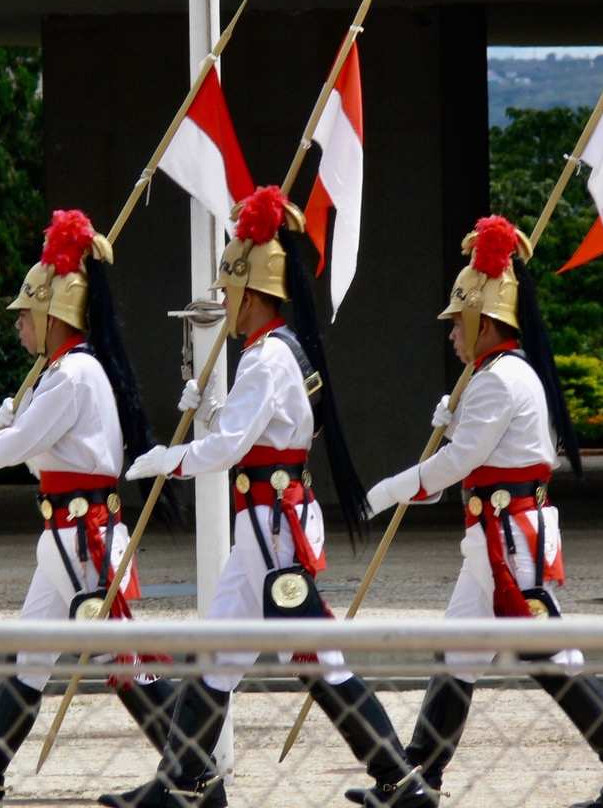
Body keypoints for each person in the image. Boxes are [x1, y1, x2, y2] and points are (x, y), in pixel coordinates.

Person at [99, 187, 430, 808]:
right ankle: (189, 781)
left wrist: (168, 460)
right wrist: (210, 415)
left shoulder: (266, 359)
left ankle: (399, 779)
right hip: (265, 522)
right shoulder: (275, 354)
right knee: (220, 653)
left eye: (229, 291)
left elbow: (227, 450)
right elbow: (254, 433)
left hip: (273, 526)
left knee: (316, 658)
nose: (224, 301)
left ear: (251, 294)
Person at [350, 215, 603, 808]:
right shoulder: (496, 376)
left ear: (484, 321)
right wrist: (453, 418)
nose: (451, 335)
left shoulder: (498, 380)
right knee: (460, 651)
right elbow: (464, 465)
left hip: (509, 538)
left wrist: (390, 488)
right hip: (493, 535)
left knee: (550, 655)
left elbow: (458, 462)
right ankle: (419, 779)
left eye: (457, 323)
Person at [0, 209, 175, 808]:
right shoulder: (67, 373)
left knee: (123, 660)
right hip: (66, 533)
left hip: (82, 535)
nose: (19, 324)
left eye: (25, 314)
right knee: (31, 655)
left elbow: (14, 450)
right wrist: (10, 433)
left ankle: (193, 773)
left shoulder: (71, 375)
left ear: (52, 315)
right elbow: (43, 456)